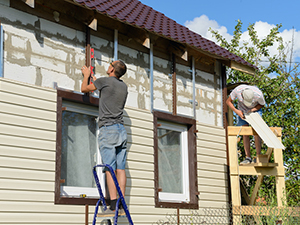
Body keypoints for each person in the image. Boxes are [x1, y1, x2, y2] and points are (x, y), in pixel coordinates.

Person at [81, 60, 128, 216]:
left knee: (109, 168)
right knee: (120, 169)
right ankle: (120, 205)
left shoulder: (104, 81)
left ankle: (113, 206)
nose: (108, 65)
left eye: (110, 64)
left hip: (108, 130)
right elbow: (106, 90)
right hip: (121, 131)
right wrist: (96, 81)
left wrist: (86, 76)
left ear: (112, 69)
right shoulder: (123, 86)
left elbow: (84, 88)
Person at [226, 84, 266, 165]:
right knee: (245, 132)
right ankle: (248, 157)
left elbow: (262, 104)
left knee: (257, 132)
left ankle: (258, 156)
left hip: (255, 110)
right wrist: (236, 111)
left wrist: (252, 110)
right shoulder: (237, 90)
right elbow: (228, 101)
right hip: (241, 111)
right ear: (242, 96)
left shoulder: (258, 94)